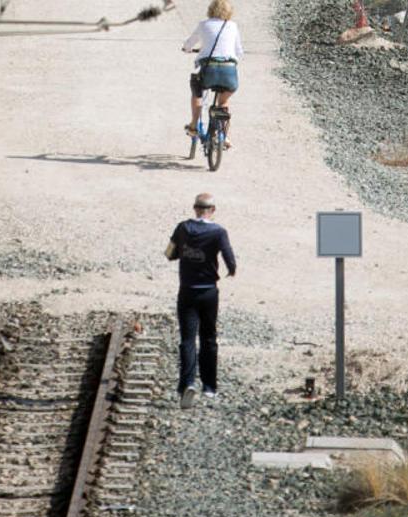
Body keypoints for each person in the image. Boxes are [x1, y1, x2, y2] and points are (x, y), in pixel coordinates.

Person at [165, 193, 236, 409]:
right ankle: (209, 387)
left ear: (195, 208)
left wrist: (183, 255)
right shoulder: (218, 232)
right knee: (208, 338)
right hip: (209, 293)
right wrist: (231, 270)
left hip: (187, 291)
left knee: (187, 339)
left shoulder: (182, 228)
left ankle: (186, 384)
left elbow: (169, 253)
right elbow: (229, 258)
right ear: (212, 210)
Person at [182, 0, 243, 148]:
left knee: (197, 90)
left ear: (211, 10)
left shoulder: (204, 24)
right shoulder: (233, 26)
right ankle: (224, 135)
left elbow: (189, 44)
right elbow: (239, 52)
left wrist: (187, 49)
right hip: (229, 72)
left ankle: (194, 125)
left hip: (209, 70)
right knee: (223, 102)